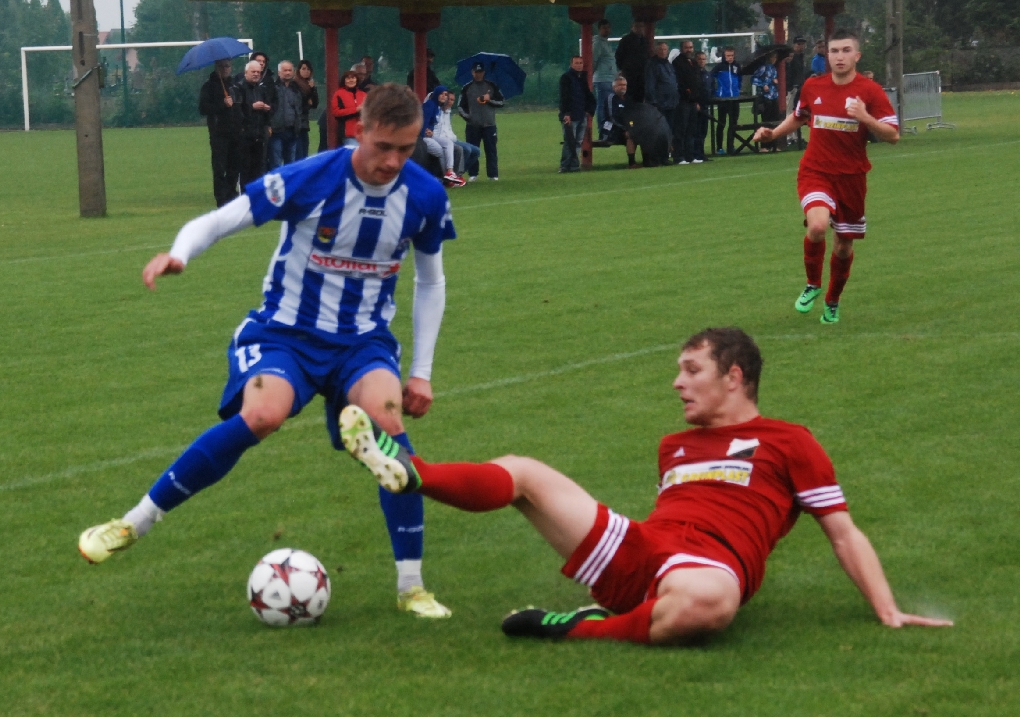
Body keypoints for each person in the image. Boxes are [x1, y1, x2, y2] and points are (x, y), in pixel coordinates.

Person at [77, 83, 456, 620]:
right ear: (360, 131)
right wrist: (180, 253)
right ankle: (133, 522)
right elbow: (220, 219)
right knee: (262, 415)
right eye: (383, 147)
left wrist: (421, 372)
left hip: (363, 341)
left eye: (406, 148)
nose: (393, 161)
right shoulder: (313, 177)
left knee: (389, 425)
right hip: (285, 333)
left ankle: (412, 587)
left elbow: (431, 281)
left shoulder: (425, 194)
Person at [338, 327, 954, 644]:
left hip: (709, 568)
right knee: (524, 472)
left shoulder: (790, 441)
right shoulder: (674, 445)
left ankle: (576, 626)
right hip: (642, 548)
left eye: (691, 370)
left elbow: (842, 532)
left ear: (734, 377)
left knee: (708, 604)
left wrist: (886, 608)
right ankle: (413, 472)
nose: (677, 383)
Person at [753, 30, 900, 324]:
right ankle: (813, 284)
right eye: (834, 51)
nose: (839, 56)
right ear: (827, 55)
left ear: (857, 56)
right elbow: (800, 116)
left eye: (846, 50)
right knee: (818, 226)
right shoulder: (813, 85)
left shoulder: (870, 91)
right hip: (816, 170)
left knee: (843, 246)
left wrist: (865, 117)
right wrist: (773, 133)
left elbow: (893, 135)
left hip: (851, 177)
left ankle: (832, 300)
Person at [198, 58, 241, 207]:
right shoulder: (208, 87)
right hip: (219, 133)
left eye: (227, 66)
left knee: (234, 167)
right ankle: (221, 197)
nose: (225, 69)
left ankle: (231, 193)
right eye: (222, 66)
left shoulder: (234, 85)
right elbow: (203, 108)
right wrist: (222, 104)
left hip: (235, 132)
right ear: (217, 67)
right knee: (219, 167)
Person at [458, 62, 504, 181]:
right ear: (472, 72)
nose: (478, 74)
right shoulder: (467, 88)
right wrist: (469, 117)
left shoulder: (491, 86)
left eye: (480, 72)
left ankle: (493, 175)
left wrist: (490, 100)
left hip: (489, 124)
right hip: (473, 125)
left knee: (491, 150)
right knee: (473, 151)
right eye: (476, 72)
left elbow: (501, 102)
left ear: (484, 72)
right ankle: (473, 174)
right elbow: (460, 107)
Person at [234, 60, 273, 187]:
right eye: (253, 72)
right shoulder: (238, 88)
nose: (256, 74)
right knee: (245, 168)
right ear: (246, 72)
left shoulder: (261, 89)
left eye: (258, 72)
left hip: (259, 133)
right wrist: (252, 107)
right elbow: (237, 111)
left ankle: (256, 195)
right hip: (244, 134)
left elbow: (270, 108)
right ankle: (245, 195)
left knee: (259, 167)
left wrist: (267, 109)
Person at [558, 56, 596, 173]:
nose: (579, 65)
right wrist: (566, 113)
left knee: (578, 142)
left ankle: (574, 165)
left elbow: (587, 95)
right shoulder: (566, 78)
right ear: (571, 64)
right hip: (570, 116)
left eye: (580, 63)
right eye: (576, 63)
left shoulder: (582, 78)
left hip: (581, 115)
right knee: (569, 141)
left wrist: (590, 110)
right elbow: (564, 97)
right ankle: (564, 166)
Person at [421, 86, 465, 185]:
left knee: (448, 143)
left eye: (445, 95)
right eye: (441, 94)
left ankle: (450, 172)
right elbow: (423, 122)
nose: (443, 96)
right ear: (436, 94)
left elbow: (431, 124)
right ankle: (445, 177)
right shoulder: (430, 104)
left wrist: (431, 131)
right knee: (439, 150)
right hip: (422, 137)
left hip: (429, 135)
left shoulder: (436, 106)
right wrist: (423, 133)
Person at [645, 42, 680, 163]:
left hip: (671, 103)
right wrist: (654, 102)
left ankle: (665, 156)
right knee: (660, 132)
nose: (663, 51)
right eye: (660, 49)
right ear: (656, 50)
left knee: (669, 131)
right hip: (660, 104)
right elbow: (650, 84)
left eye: (665, 49)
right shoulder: (653, 65)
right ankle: (658, 157)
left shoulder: (668, 64)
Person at [435, 89, 479, 178]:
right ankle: (454, 175)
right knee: (466, 149)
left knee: (476, 151)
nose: (450, 102)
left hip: (452, 138)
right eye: (448, 99)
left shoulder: (449, 112)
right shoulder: (437, 111)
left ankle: (458, 174)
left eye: (452, 100)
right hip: (444, 139)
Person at [269, 60, 302, 169]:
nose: (287, 72)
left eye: (290, 70)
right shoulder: (273, 88)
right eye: (285, 70)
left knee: (291, 164)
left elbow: (299, 109)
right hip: (276, 131)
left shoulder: (296, 89)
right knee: (276, 163)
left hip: (292, 131)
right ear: (279, 72)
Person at [671, 40, 700, 164]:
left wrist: (696, 99)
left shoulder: (693, 62)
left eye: (691, 47)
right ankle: (679, 157)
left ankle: (690, 156)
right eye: (686, 47)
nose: (689, 50)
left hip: (693, 102)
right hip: (682, 101)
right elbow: (680, 83)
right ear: (681, 49)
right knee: (681, 130)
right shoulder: (677, 63)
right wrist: (687, 93)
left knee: (691, 130)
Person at [711, 47, 742, 155]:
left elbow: (739, 79)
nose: (730, 58)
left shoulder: (737, 66)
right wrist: (715, 92)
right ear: (724, 56)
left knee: (733, 124)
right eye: (728, 56)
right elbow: (711, 78)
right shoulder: (719, 67)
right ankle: (719, 147)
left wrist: (737, 90)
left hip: (734, 99)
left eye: (732, 55)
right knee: (721, 123)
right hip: (723, 99)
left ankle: (731, 146)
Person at [592, 20, 618, 140]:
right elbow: (593, 61)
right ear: (599, 29)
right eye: (604, 28)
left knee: (609, 107)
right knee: (603, 106)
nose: (606, 30)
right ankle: (603, 132)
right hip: (602, 80)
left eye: (608, 27)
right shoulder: (597, 43)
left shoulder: (606, 43)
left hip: (610, 79)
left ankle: (608, 131)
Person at [751, 52, 780, 152]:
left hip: (774, 96)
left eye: (775, 57)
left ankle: (773, 145)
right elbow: (754, 79)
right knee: (766, 121)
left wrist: (775, 81)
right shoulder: (763, 68)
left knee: (775, 120)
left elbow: (774, 79)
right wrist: (763, 84)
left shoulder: (774, 68)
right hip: (765, 97)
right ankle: (764, 146)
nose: (774, 59)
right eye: (772, 57)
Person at [615, 20, 648, 102]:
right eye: (637, 26)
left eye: (641, 26)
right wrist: (624, 68)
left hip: (642, 75)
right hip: (629, 74)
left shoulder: (644, 41)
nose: (639, 28)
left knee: (640, 98)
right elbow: (618, 56)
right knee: (629, 98)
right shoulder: (625, 40)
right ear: (632, 27)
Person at [332, 70, 366, 146]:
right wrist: (355, 110)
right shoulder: (339, 94)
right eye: (348, 78)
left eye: (353, 78)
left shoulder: (363, 94)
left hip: (363, 133)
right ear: (344, 81)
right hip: (348, 134)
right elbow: (336, 112)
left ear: (356, 79)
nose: (351, 80)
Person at [293, 60, 319, 160]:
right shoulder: (294, 84)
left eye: (308, 69)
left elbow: (315, 104)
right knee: (298, 152)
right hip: (296, 123)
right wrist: (308, 103)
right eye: (303, 69)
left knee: (305, 151)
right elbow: (299, 103)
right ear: (298, 70)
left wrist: (313, 89)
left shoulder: (310, 85)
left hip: (304, 124)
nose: (306, 71)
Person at [691, 51, 712, 163]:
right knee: (696, 131)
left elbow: (710, 88)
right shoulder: (694, 73)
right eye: (699, 59)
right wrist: (695, 102)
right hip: (697, 106)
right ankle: (695, 154)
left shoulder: (707, 74)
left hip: (705, 105)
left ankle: (701, 153)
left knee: (703, 131)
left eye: (703, 59)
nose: (702, 61)